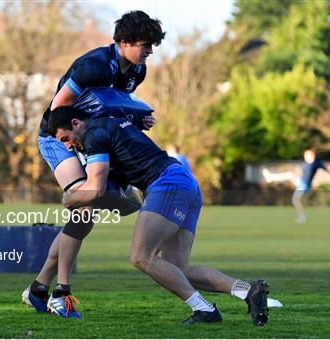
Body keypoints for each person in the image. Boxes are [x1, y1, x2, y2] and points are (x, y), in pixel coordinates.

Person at [47, 106, 270, 326]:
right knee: (176, 268)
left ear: (77, 123)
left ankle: (204, 309)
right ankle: (248, 290)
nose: (68, 145)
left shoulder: (94, 136)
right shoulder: (109, 121)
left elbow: (96, 188)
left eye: (66, 138)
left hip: (166, 184)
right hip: (185, 182)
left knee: (140, 256)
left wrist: (67, 198)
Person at [22, 10, 165, 318]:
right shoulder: (94, 65)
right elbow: (58, 109)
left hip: (93, 139)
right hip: (60, 135)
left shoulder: (137, 72)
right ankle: (61, 293)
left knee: (87, 216)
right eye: (146, 44)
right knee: (84, 209)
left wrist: (136, 118)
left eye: (153, 45)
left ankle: (38, 288)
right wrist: (78, 139)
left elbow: (116, 108)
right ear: (124, 42)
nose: (150, 51)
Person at [262, 149, 330, 223]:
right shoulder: (304, 164)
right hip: (301, 182)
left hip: (305, 185)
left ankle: (302, 217)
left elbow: (324, 168)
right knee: (295, 198)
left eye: (307, 155)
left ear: (312, 155)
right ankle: (302, 216)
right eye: (305, 155)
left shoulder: (316, 163)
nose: (306, 157)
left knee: (295, 198)